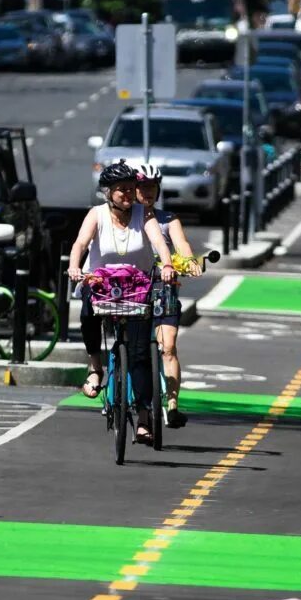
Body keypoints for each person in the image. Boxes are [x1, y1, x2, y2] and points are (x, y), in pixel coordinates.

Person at [67, 160, 175, 443]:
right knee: (88, 312)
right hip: (102, 285)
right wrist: (75, 267)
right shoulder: (97, 214)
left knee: (140, 354)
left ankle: (142, 416)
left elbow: (160, 243)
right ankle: (95, 368)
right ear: (108, 193)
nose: (128, 194)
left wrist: (166, 265)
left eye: (131, 189)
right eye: (121, 190)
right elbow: (80, 243)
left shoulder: (144, 214)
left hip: (137, 289)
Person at [136, 163, 196, 429]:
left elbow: (181, 244)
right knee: (132, 350)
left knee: (168, 347)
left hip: (163, 285)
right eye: (142, 186)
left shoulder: (168, 220)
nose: (148, 191)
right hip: (132, 289)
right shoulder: (126, 219)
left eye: (152, 186)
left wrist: (188, 261)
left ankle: (172, 406)